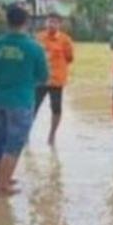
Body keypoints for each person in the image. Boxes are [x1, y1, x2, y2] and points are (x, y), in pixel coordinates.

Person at [0, 5, 49, 196]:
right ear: (26, 22)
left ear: (6, 21)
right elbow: (44, 76)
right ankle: (2, 185)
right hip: (21, 99)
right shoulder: (34, 47)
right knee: (15, 142)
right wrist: (27, 80)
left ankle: (4, 177)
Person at [35, 12, 75, 146]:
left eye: (55, 22)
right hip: (40, 80)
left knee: (56, 108)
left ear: (59, 24)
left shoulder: (66, 40)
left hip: (57, 81)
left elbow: (69, 58)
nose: (51, 24)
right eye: (49, 21)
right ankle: (26, 134)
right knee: (33, 107)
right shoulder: (38, 38)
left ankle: (52, 135)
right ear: (45, 22)